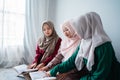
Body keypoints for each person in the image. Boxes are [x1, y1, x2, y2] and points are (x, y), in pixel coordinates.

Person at [47, 12, 120, 80]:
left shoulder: (104, 46)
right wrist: (53, 71)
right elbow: (72, 61)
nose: (76, 31)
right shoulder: (84, 42)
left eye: (79, 28)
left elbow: (101, 75)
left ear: (88, 27)